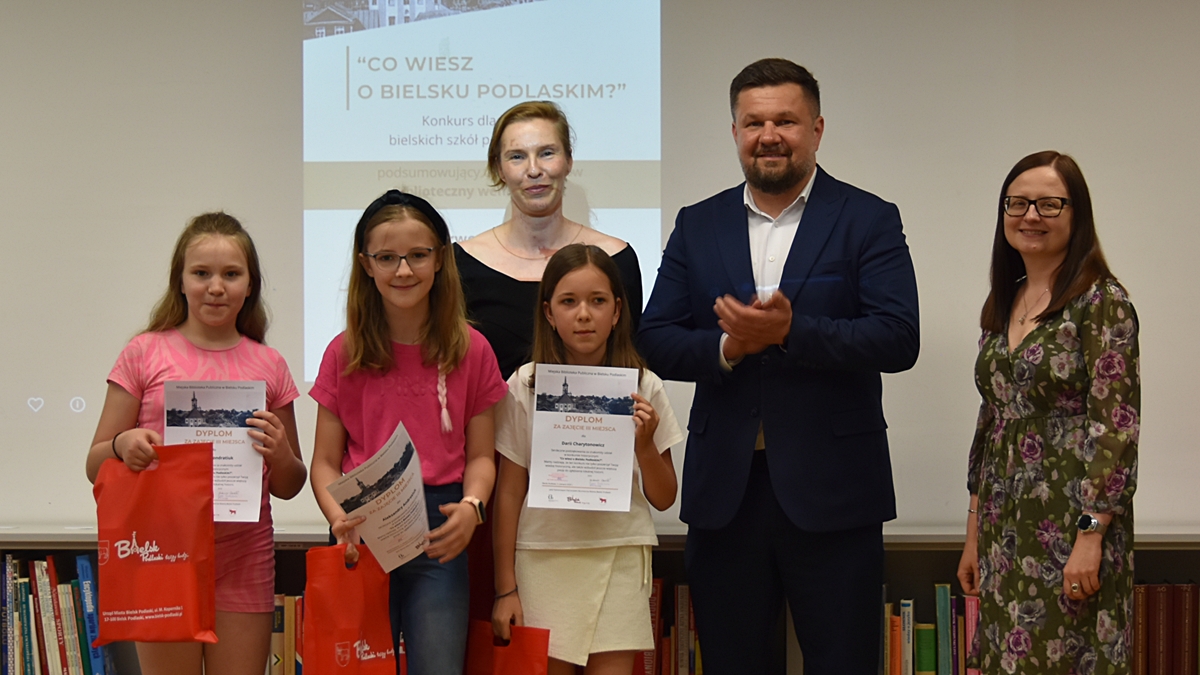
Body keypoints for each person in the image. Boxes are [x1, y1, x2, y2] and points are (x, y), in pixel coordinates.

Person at [637, 58, 920, 675]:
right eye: (754, 122)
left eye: (786, 121)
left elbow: (899, 338)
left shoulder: (867, 218)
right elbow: (654, 338)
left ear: (816, 129)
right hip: (726, 494)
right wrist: (729, 347)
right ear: (735, 132)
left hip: (836, 492)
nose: (769, 135)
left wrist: (792, 332)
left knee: (843, 663)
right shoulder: (698, 222)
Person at [85, 212, 308, 675]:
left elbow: (289, 485)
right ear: (181, 281)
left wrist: (281, 454)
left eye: (231, 274)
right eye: (201, 273)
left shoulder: (269, 364)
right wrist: (123, 444)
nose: (216, 287)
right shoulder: (144, 352)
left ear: (250, 285)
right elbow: (94, 463)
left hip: (243, 558)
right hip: (162, 554)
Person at [454, 99, 644, 621]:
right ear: (498, 168)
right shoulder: (460, 263)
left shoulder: (617, 258)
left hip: (591, 481)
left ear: (568, 161)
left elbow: (631, 365)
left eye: (547, 153)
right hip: (494, 480)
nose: (533, 169)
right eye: (517, 156)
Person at [309, 190, 507, 675]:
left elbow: (482, 457)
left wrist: (473, 507)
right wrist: (338, 519)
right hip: (360, 528)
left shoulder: (473, 350)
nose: (403, 270)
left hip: (441, 530)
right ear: (365, 264)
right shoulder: (343, 352)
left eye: (418, 255)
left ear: (440, 259)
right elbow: (325, 463)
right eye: (387, 258)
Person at [956, 151, 1138, 674]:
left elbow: (1116, 428)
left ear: (1077, 214)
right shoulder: (1006, 300)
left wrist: (1091, 534)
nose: (1030, 215)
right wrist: (973, 535)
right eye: (1017, 203)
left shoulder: (1101, 301)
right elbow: (991, 421)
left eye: (1049, 204)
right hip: (1003, 522)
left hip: (1070, 521)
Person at [491, 244, 683, 675]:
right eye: (568, 301)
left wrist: (644, 447)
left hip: (619, 553)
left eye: (597, 301)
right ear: (548, 312)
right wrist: (505, 589)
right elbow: (509, 491)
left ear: (617, 312)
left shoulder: (644, 386)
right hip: (543, 556)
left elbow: (665, 496)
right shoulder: (525, 384)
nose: (583, 314)